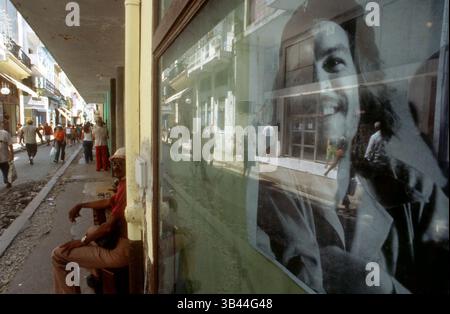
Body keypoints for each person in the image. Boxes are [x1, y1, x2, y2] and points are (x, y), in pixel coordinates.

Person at [255, 0, 448, 294]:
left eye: (334, 64)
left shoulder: (418, 193)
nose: (319, 87)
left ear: (362, 83)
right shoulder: (271, 187)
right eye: (301, 72)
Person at [51, 148, 128, 294]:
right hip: (119, 244)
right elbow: (108, 202)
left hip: (120, 252)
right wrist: (81, 205)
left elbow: (107, 227)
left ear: (129, 166)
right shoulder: (124, 183)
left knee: (58, 255)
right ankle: (96, 275)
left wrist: (82, 241)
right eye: (114, 163)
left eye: (121, 163)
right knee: (90, 231)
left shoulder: (126, 188)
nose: (116, 167)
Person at [0, 121, 14, 188]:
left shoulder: (5, 133)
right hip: (4, 156)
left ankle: (8, 181)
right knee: (5, 170)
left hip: (4, 157)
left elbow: (10, 145)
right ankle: (7, 181)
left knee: (5, 170)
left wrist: (12, 155)